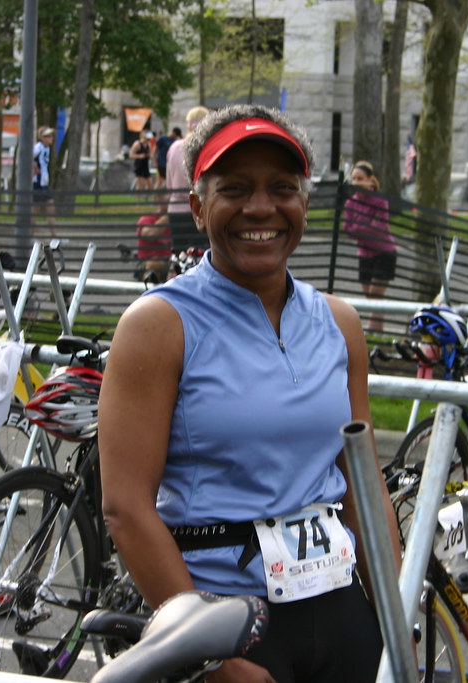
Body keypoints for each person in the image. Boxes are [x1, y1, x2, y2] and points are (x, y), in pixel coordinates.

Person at [99, 104, 401, 683]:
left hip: (341, 614)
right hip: (223, 621)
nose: (261, 207)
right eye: (234, 189)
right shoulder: (158, 325)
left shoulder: (340, 323)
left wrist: (394, 611)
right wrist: (206, 656)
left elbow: (365, 487)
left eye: (282, 188)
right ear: (196, 204)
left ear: (304, 203)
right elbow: (126, 507)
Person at [343, 160, 396, 333]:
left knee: (375, 293)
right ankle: (378, 332)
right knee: (371, 296)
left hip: (384, 253)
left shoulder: (380, 201)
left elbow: (378, 227)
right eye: (354, 178)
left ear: (371, 180)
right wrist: (364, 227)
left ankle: (373, 331)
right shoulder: (351, 203)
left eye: (360, 178)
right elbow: (348, 230)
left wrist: (359, 227)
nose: (356, 182)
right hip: (364, 254)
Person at [165, 105, 210, 252]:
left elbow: (169, 183)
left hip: (175, 210)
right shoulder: (204, 147)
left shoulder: (174, 147)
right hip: (198, 209)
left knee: (179, 254)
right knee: (200, 254)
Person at [32, 126, 56, 231]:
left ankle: (54, 235)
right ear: (42, 138)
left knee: (42, 209)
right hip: (38, 183)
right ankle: (31, 232)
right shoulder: (38, 147)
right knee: (42, 208)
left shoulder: (47, 148)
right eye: (47, 136)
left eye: (51, 136)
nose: (51, 138)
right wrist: (34, 167)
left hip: (44, 182)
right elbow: (27, 157)